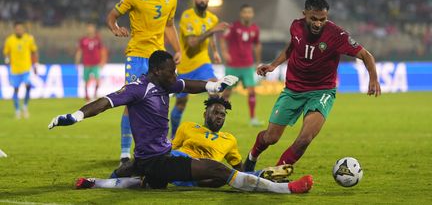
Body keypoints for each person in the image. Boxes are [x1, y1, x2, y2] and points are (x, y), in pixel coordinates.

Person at [48, 50, 312, 194]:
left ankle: (95, 183)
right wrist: (76, 115)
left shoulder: (165, 83)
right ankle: (286, 189)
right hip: (158, 160)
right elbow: (105, 102)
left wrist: (214, 85)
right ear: (155, 71)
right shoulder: (138, 89)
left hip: (149, 159)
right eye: (170, 71)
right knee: (218, 171)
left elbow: (189, 85)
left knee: (143, 182)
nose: (174, 75)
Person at [243, 0, 381, 171]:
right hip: (293, 90)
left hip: (321, 91)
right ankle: (252, 156)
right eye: (313, 19)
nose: (317, 24)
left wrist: (373, 78)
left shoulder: (337, 35)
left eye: (322, 19)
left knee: (305, 138)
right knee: (271, 137)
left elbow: (366, 55)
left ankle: (276, 173)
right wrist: (273, 65)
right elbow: (292, 47)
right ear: (305, 14)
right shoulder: (295, 26)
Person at [74, 96, 294, 189]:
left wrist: (253, 163)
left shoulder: (230, 140)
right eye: (215, 112)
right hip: (178, 163)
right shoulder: (188, 126)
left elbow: (239, 170)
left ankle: (270, 178)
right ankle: (100, 181)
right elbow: (170, 148)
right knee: (141, 167)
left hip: (199, 177)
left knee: (219, 178)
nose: (219, 116)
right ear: (205, 113)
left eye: (222, 115)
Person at [106, 0, 181, 163]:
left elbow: (170, 26)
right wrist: (115, 28)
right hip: (137, 54)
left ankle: (158, 145)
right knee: (130, 102)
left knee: (162, 102)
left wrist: (178, 50)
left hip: (158, 58)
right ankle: (124, 152)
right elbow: (112, 16)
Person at [170, 0, 229, 138]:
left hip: (203, 63)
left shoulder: (212, 18)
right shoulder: (187, 16)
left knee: (215, 90)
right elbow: (192, 43)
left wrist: (215, 51)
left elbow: (212, 36)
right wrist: (212, 30)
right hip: (185, 67)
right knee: (180, 105)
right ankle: (174, 136)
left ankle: (212, 132)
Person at [220, 4, 262, 126]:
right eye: (245, 12)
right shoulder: (233, 27)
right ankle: (220, 116)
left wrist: (257, 61)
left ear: (252, 14)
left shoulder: (255, 29)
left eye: (249, 12)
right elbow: (223, 39)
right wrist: (224, 53)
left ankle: (253, 119)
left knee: (252, 91)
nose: (247, 14)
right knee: (227, 92)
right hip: (233, 65)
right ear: (241, 14)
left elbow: (257, 44)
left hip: (248, 65)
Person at [3, 21, 39, 119]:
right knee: (16, 90)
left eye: (20, 29)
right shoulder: (9, 40)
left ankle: (25, 106)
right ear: (15, 29)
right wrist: (6, 58)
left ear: (23, 29)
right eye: (17, 29)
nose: (19, 30)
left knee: (28, 86)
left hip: (25, 69)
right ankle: (17, 110)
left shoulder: (29, 39)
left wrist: (35, 65)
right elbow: (6, 52)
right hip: (14, 70)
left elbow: (34, 52)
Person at [75, 23, 107, 101]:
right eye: (89, 28)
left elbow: (102, 50)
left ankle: (95, 94)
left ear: (94, 29)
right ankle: (86, 95)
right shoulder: (83, 40)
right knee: (86, 80)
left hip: (96, 63)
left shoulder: (97, 39)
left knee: (97, 80)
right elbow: (79, 51)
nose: (90, 30)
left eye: (91, 28)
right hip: (86, 63)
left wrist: (103, 61)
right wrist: (77, 61)